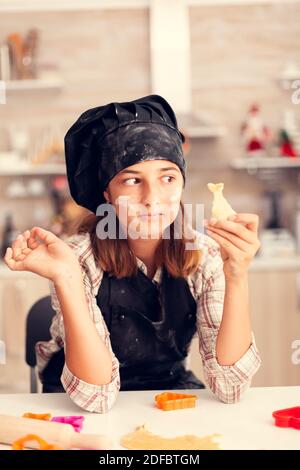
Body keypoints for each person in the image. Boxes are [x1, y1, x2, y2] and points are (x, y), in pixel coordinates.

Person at [4, 95, 261, 413]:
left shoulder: (205, 255)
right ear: (107, 194)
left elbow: (231, 387)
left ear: (182, 183)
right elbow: (96, 398)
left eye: (167, 177)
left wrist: (236, 274)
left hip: (166, 399)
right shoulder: (78, 259)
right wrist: (67, 278)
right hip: (76, 407)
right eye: (132, 180)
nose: (152, 199)